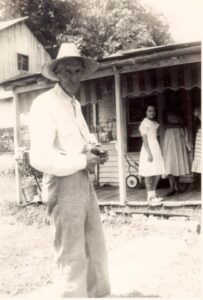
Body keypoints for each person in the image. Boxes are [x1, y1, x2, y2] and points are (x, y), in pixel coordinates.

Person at [29, 43, 110, 298]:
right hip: (62, 184)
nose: (73, 77)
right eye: (68, 71)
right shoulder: (45, 104)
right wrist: (81, 161)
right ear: (57, 73)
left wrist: (94, 150)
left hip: (82, 181)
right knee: (70, 252)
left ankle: (98, 296)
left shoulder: (74, 104)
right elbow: (39, 157)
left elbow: (78, 145)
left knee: (94, 246)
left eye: (78, 72)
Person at [138, 104, 165, 205]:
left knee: (158, 171)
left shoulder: (154, 123)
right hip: (148, 148)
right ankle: (150, 196)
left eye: (153, 111)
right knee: (148, 172)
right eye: (149, 111)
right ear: (146, 112)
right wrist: (148, 153)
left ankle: (153, 193)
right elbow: (144, 140)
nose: (152, 113)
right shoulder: (144, 123)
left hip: (155, 147)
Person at [162, 109, 191, 196]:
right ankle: (171, 188)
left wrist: (178, 122)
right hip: (170, 137)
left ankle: (177, 187)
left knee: (178, 160)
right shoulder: (165, 111)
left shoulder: (179, 111)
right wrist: (178, 125)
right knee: (170, 162)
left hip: (179, 137)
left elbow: (184, 123)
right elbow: (165, 125)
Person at [192, 106, 201, 188]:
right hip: (201, 135)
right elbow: (196, 125)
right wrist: (197, 115)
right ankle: (198, 183)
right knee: (200, 158)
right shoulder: (198, 109)